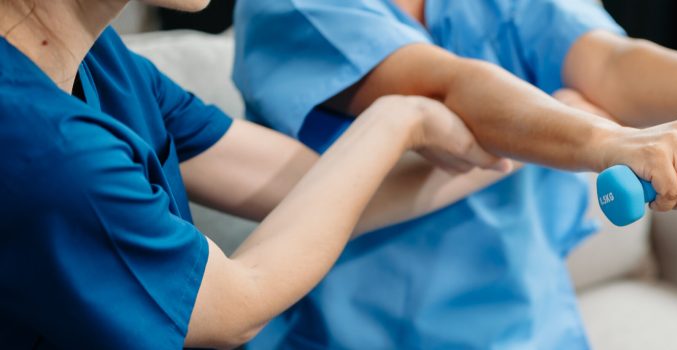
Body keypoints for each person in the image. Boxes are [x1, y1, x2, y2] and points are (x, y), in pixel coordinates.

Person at [234, 0, 677, 348]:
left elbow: (616, 65)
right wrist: (613, 140)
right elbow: (451, 88)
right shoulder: (293, 8)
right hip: (364, 334)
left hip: (533, 325)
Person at [0, 0, 512, 348]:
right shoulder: (46, 143)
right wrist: (396, 120)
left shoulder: (103, 61)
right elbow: (238, 305)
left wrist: (516, 148)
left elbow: (316, 187)